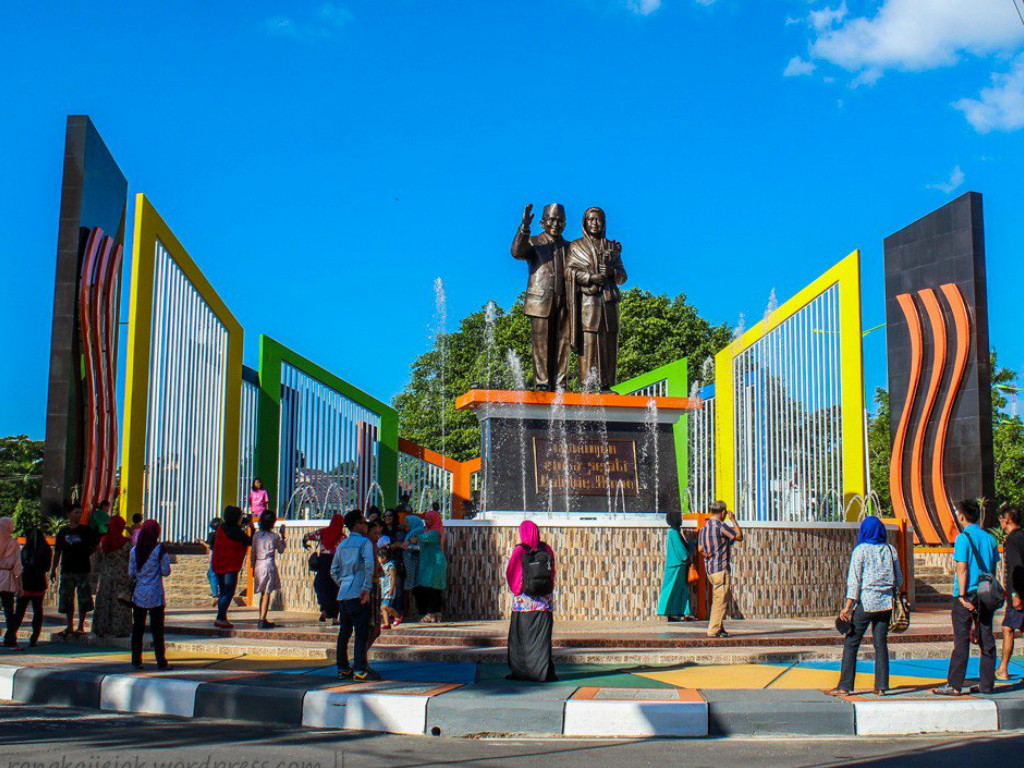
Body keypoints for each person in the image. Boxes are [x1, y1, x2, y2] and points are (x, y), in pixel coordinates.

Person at [828, 516, 903, 696]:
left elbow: (854, 580)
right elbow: (898, 578)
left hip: (866, 603)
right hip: (885, 604)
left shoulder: (860, 550)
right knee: (881, 644)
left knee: (852, 642)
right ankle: (881, 686)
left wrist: (848, 606)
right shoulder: (890, 549)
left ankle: (845, 686)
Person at [933, 500, 1001, 696]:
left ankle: (954, 684)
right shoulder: (989, 539)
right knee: (986, 637)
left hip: (967, 594)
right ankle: (987, 684)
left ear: (962, 516)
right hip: (985, 593)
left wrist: (962, 595)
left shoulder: (963, 538)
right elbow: (993, 569)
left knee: (961, 640)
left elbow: (961, 568)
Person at [566, 206, 628, 391]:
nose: (595, 223)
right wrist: (590, 277)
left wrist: (612, 272)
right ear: (585, 222)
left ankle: (607, 384)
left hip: (608, 301)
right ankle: (588, 385)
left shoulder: (611, 247)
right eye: (591, 219)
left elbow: (623, 276)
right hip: (588, 301)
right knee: (589, 342)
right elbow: (569, 271)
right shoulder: (576, 246)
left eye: (598, 219)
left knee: (609, 342)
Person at [511, 202, 571, 392]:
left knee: (563, 343)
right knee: (541, 343)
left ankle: (560, 384)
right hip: (541, 300)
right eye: (552, 220)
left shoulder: (571, 247)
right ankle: (543, 383)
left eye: (560, 220)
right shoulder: (533, 242)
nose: (556, 224)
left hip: (566, 302)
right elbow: (516, 252)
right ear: (543, 222)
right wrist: (524, 227)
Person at [330, 510, 379, 681]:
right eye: (364, 523)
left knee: (344, 632)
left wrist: (343, 583)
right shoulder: (364, 543)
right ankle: (359, 669)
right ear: (357, 525)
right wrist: (366, 588)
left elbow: (333, 570)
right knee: (361, 632)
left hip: (344, 594)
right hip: (359, 593)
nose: (366, 526)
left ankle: (342, 668)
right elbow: (369, 566)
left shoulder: (342, 544)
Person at [505, 520, 557, 682]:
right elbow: (552, 572)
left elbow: (512, 573)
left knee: (521, 639)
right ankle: (543, 672)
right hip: (544, 604)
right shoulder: (546, 549)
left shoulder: (520, 550)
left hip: (524, 604)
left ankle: (521, 672)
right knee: (542, 640)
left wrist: (517, 590)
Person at [128, 519, 171, 670]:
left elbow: (131, 573)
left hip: (139, 593)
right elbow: (166, 572)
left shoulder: (134, 551)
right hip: (156, 594)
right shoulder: (160, 550)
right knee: (157, 630)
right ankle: (161, 660)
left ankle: (136, 660)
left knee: (138, 629)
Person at [50, 504, 98, 637]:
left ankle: (80, 626)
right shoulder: (63, 532)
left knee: (83, 598)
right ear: (69, 514)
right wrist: (53, 568)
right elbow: (57, 552)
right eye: (76, 512)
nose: (79, 515)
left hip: (82, 569)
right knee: (66, 597)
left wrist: (86, 554)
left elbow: (94, 546)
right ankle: (69, 625)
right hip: (67, 569)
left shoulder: (86, 530)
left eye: (80, 513)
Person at [698, 500, 743, 638]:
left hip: (710, 569)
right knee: (720, 600)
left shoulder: (704, 528)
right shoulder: (720, 526)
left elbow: (700, 549)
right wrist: (734, 521)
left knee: (718, 597)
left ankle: (720, 628)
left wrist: (710, 556)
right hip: (721, 568)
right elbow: (739, 537)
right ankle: (713, 630)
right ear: (723, 513)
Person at [7, 528, 51, 647]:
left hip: (26, 582)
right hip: (39, 583)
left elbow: (20, 565)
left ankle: (11, 635)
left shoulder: (26, 549)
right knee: (38, 611)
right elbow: (47, 567)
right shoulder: (46, 549)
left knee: (20, 611)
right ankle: (34, 638)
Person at [211, 506, 251, 629]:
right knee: (228, 592)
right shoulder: (237, 533)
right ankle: (220, 617)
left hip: (218, 564)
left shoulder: (221, 528)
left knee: (223, 592)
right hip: (230, 566)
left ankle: (222, 616)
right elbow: (250, 541)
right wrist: (252, 527)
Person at [92, 515, 133, 637]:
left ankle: (102, 628)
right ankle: (119, 629)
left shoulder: (103, 541)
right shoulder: (126, 544)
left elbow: (98, 560)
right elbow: (132, 559)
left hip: (105, 577)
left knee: (105, 602)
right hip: (121, 577)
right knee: (119, 605)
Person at [997, 506, 1023, 681]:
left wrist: (1015, 593)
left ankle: (1003, 668)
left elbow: (1015, 566)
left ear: (1007, 519)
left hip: (1018, 592)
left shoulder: (1013, 540)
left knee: (1007, 629)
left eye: (1001, 517)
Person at [303, 513, 346, 623]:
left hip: (323, 562)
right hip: (336, 563)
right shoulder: (342, 537)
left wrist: (305, 543)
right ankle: (335, 618)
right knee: (335, 589)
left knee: (321, 586)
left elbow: (308, 536)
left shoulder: (323, 532)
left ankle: (325, 610)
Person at [657, 510, 695, 622]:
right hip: (675, 566)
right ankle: (671, 612)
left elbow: (683, 547)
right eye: (679, 517)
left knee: (681, 590)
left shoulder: (675, 532)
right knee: (672, 589)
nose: (681, 519)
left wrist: (693, 543)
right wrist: (687, 558)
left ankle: (683, 612)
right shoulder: (673, 533)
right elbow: (680, 549)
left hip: (679, 566)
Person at [252, 510, 286, 629]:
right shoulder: (274, 536)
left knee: (262, 592)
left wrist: (252, 566)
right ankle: (262, 619)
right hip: (269, 563)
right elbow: (281, 549)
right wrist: (283, 536)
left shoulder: (256, 535)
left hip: (259, 564)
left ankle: (261, 617)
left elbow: (253, 552)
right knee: (267, 593)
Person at [413, 510, 447, 622]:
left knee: (431, 589)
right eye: (425, 519)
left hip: (435, 563)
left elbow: (420, 538)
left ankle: (430, 613)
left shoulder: (434, 532)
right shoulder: (431, 530)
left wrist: (410, 539)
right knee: (433, 589)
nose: (426, 521)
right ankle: (436, 613)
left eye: (428, 519)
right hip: (431, 562)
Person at [0, 517, 23, 648]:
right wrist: (20, 585)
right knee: (9, 610)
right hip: (7, 577)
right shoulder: (13, 543)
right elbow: (18, 566)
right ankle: (10, 637)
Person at [400, 514, 423, 618]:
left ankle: (408, 611)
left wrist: (408, 546)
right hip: (409, 561)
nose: (405, 524)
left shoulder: (416, 532)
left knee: (410, 585)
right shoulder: (412, 531)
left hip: (412, 561)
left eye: (407, 522)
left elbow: (417, 546)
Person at [195, 517, 222, 602]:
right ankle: (217, 591)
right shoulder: (224, 534)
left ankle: (215, 594)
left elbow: (209, 546)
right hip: (223, 555)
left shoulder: (212, 535)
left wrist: (201, 542)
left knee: (212, 574)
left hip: (214, 555)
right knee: (215, 574)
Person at [377, 546, 402, 629]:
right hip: (383, 589)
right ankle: (387, 623)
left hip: (389, 588)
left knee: (385, 606)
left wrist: (392, 588)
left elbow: (393, 577)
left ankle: (397, 615)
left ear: (384, 557)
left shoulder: (390, 565)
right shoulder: (380, 565)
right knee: (382, 607)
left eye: (379, 557)